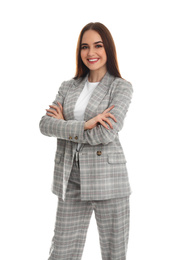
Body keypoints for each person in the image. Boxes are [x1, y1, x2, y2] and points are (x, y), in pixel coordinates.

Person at [39, 22, 133, 260]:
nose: (91, 53)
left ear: (108, 49)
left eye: (98, 46)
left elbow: (106, 133)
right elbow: (45, 125)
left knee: (114, 253)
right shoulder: (68, 86)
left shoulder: (121, 87)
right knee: (61, 252)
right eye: (85, 47)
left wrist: (66, 126)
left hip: (109, 180)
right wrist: (85, 124)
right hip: (70, 178)